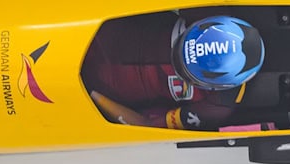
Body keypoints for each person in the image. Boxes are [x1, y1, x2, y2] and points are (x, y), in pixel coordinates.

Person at [81, 12, 265, 131]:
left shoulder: (217, 106)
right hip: (87, 34)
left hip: (91, 92)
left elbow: (145, 125)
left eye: (183, 69)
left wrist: (93, 97)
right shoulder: (210, 9)